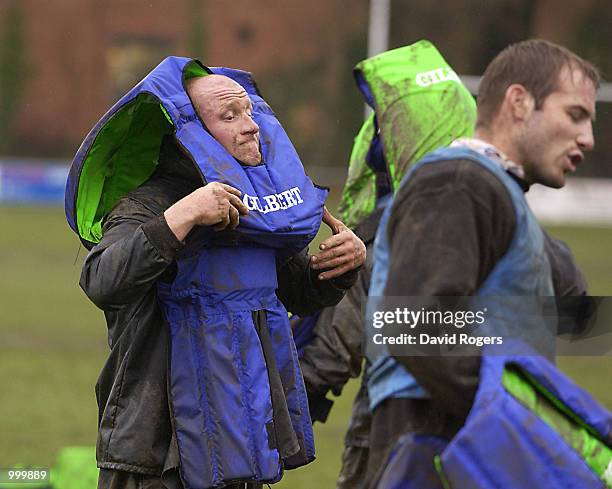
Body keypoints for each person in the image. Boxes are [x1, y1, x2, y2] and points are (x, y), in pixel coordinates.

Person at [66, 58, 365, 489]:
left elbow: (297, 293)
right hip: (155, 457)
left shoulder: (257, 202)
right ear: (190, 134)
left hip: (239, 441)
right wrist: (181, 217)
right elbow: (101, 280)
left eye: (250, 112)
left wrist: (337, 268)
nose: (251, 126)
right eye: (230, 116)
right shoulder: (149, 203)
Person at [364, 39, 600, 488]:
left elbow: (575, 312)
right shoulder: (458, 183)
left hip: (469, 441)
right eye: (575, 115)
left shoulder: (493, 188)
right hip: (436, 443)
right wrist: (515, 421)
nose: (588, 138)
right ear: (519, 102)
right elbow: (414, 325)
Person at [297, 40, 477, 488]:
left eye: (384, 126)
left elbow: (334, 352)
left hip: (391, 434)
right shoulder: (497, 211)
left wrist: (261, 404)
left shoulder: (390, 236)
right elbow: (560, 316)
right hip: (483, 431)